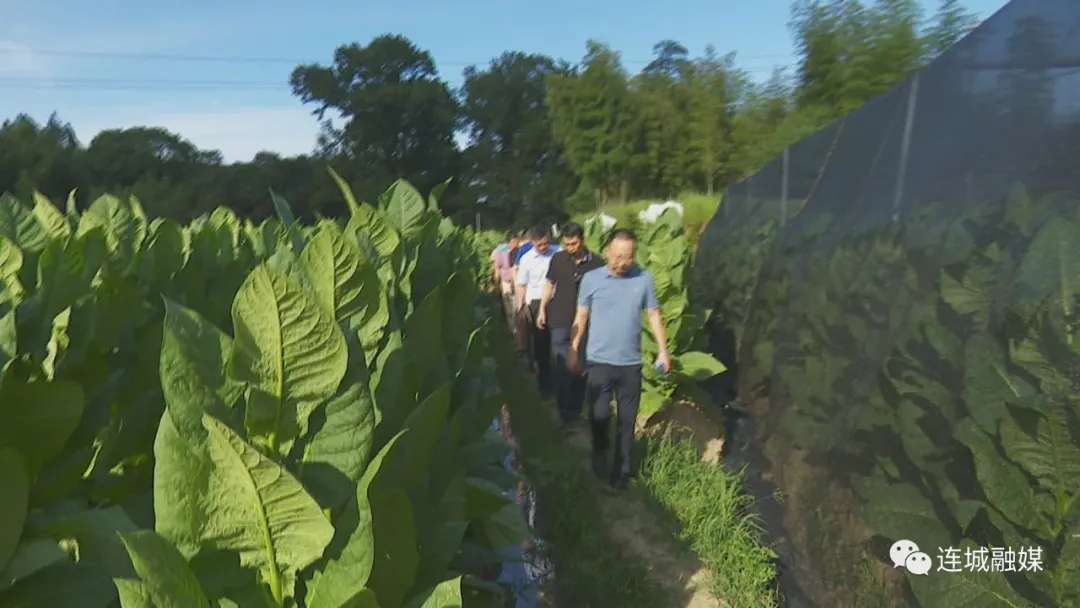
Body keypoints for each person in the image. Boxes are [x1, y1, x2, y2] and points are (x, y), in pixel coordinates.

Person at [568, 229, 672, 490]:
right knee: (600, 413)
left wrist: (662, 350)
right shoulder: (591, 280)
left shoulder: (644, 279)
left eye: (628, 257)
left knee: (627, 420)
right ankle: (600, 449)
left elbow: (654, 315)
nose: (623, 262)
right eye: (618, 256)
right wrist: (573, 349)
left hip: (630, 364)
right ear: (607, 253)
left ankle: (622, 471)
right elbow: (581, 317)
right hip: (599, 360)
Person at [537, 222, 604, 428]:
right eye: (566, 244)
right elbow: (549, 284)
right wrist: (542, 309)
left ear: (582, 240)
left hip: (585, 322)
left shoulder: (597, 263)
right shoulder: (558, 259)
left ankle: (575, 409)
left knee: (580, 367)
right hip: (559, 319)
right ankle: (565, 413)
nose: (570, 248)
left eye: (574, 244)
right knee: (561, 366)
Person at [515, 225, 559, 398]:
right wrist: (520, 305)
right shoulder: (526, 259)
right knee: (541, 344)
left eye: (546, 244)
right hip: (535, 301)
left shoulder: (557, 253)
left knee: (557, 342)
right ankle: (544, 384)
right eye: (539, 245)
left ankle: (558, 380)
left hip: (556, 301)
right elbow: (521, 284)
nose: (543, 248)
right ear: (532, 242)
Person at [491, 232, 518, 326]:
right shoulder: (502, 254)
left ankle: (518, 326)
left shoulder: (519, 253)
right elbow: (497, 269)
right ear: (509, 243)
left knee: (516, 306)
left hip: (517, 282)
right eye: (513, 242)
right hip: (506, 282)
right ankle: (512, 328)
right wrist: (497, 283)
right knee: (508, 307)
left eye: (516, 242)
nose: (515, 244)